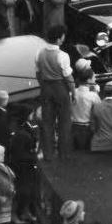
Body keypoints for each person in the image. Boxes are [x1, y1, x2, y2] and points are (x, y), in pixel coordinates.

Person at [36, 28, 74, 160]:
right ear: (58, 39)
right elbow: (68, 77)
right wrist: (73, 92)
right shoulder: (63, 55)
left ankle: (48, 154)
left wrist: (43, 85)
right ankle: (64, 153)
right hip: (60, 88)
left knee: (47, 122)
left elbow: (38, 73)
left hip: (46, 87)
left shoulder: (39, 53)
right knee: (64, 121)